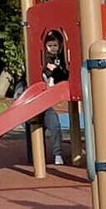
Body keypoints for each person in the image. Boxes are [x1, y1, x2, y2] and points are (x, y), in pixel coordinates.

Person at [40, 28, 68, 164]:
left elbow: (64, 74)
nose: (53, 48)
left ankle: (58, 154)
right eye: (50, 46)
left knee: (54, 125)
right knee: (52, 124)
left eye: (55, 45)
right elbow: (42, 74)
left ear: (60, 45)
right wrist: (48, 72)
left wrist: (56, 70)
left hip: (57, 93)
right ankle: (56, 153)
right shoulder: (43, 59)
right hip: (43, 99)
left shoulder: (62, 59)